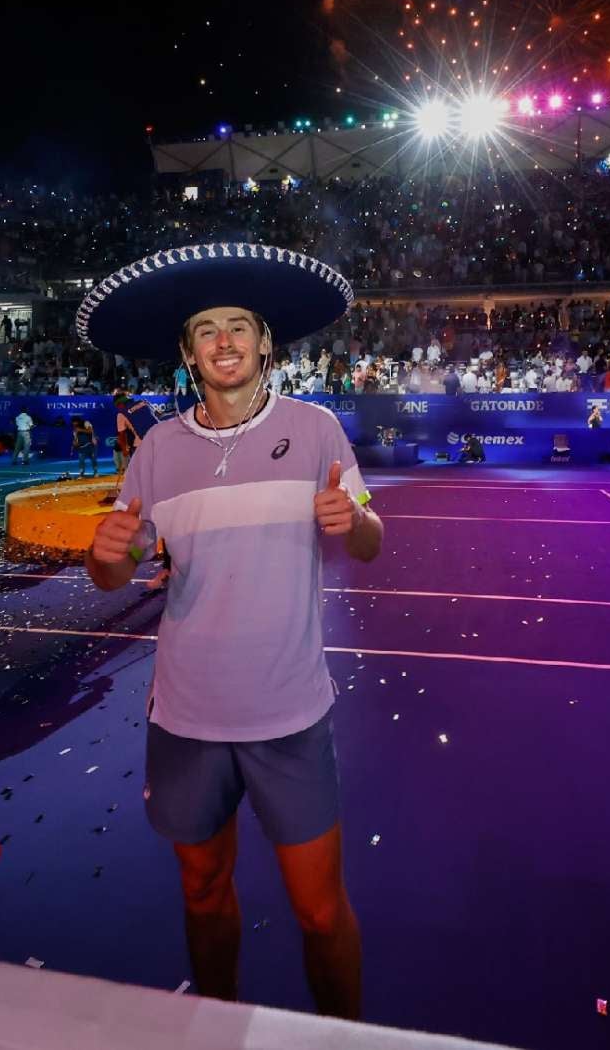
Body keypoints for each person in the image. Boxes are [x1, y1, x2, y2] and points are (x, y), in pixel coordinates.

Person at [80, 242, 382, 1018]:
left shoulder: (316, 431)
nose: (224, 341)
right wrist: (104, 559)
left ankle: (341, 1038)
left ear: (265, 343)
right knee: (205, 890)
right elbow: (119, 566)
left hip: (290, 717)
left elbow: (370, 534)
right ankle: (218, 1026)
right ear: (187, 352)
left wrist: (355, 520)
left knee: (320, 911)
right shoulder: (155, 449)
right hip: (185, 721)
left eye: (238, 326)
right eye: (206, 329)